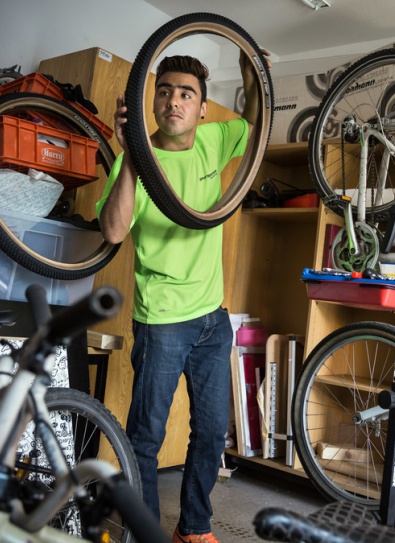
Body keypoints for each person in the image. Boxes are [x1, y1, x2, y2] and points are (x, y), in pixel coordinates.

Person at [95, 50, 268, 543]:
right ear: (152, 102)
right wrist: (130, 154)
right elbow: (111, 231)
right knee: (145, 439)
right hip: (164, 320)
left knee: (212, 433)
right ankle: (147, 532)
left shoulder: (215, 140)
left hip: (214, 318)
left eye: (186, 93)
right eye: (165, 90)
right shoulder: (140, 163)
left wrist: (254, 69)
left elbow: (257, 119)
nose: (174, 100)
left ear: (202, 109)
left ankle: (193, 528)